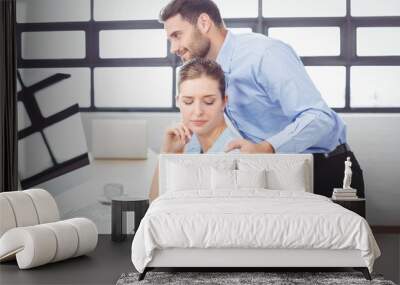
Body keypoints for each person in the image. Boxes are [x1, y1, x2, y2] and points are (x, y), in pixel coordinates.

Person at [158, 0, 365, 198]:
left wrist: (267, 148)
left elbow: (320, 118)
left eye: (177, 35)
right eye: (170, 40)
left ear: (204, 23)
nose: (173, 48)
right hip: (283, 173)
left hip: (327, 169)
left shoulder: (263, 54)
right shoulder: (212, 75)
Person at [149, 58, 240, 201]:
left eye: (208, 102)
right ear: (178, 101)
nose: (197, 111)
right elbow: (154, 205)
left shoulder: (234, 151)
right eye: (188, 102)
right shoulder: (190, 142)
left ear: (224, 101)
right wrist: (167, 154)